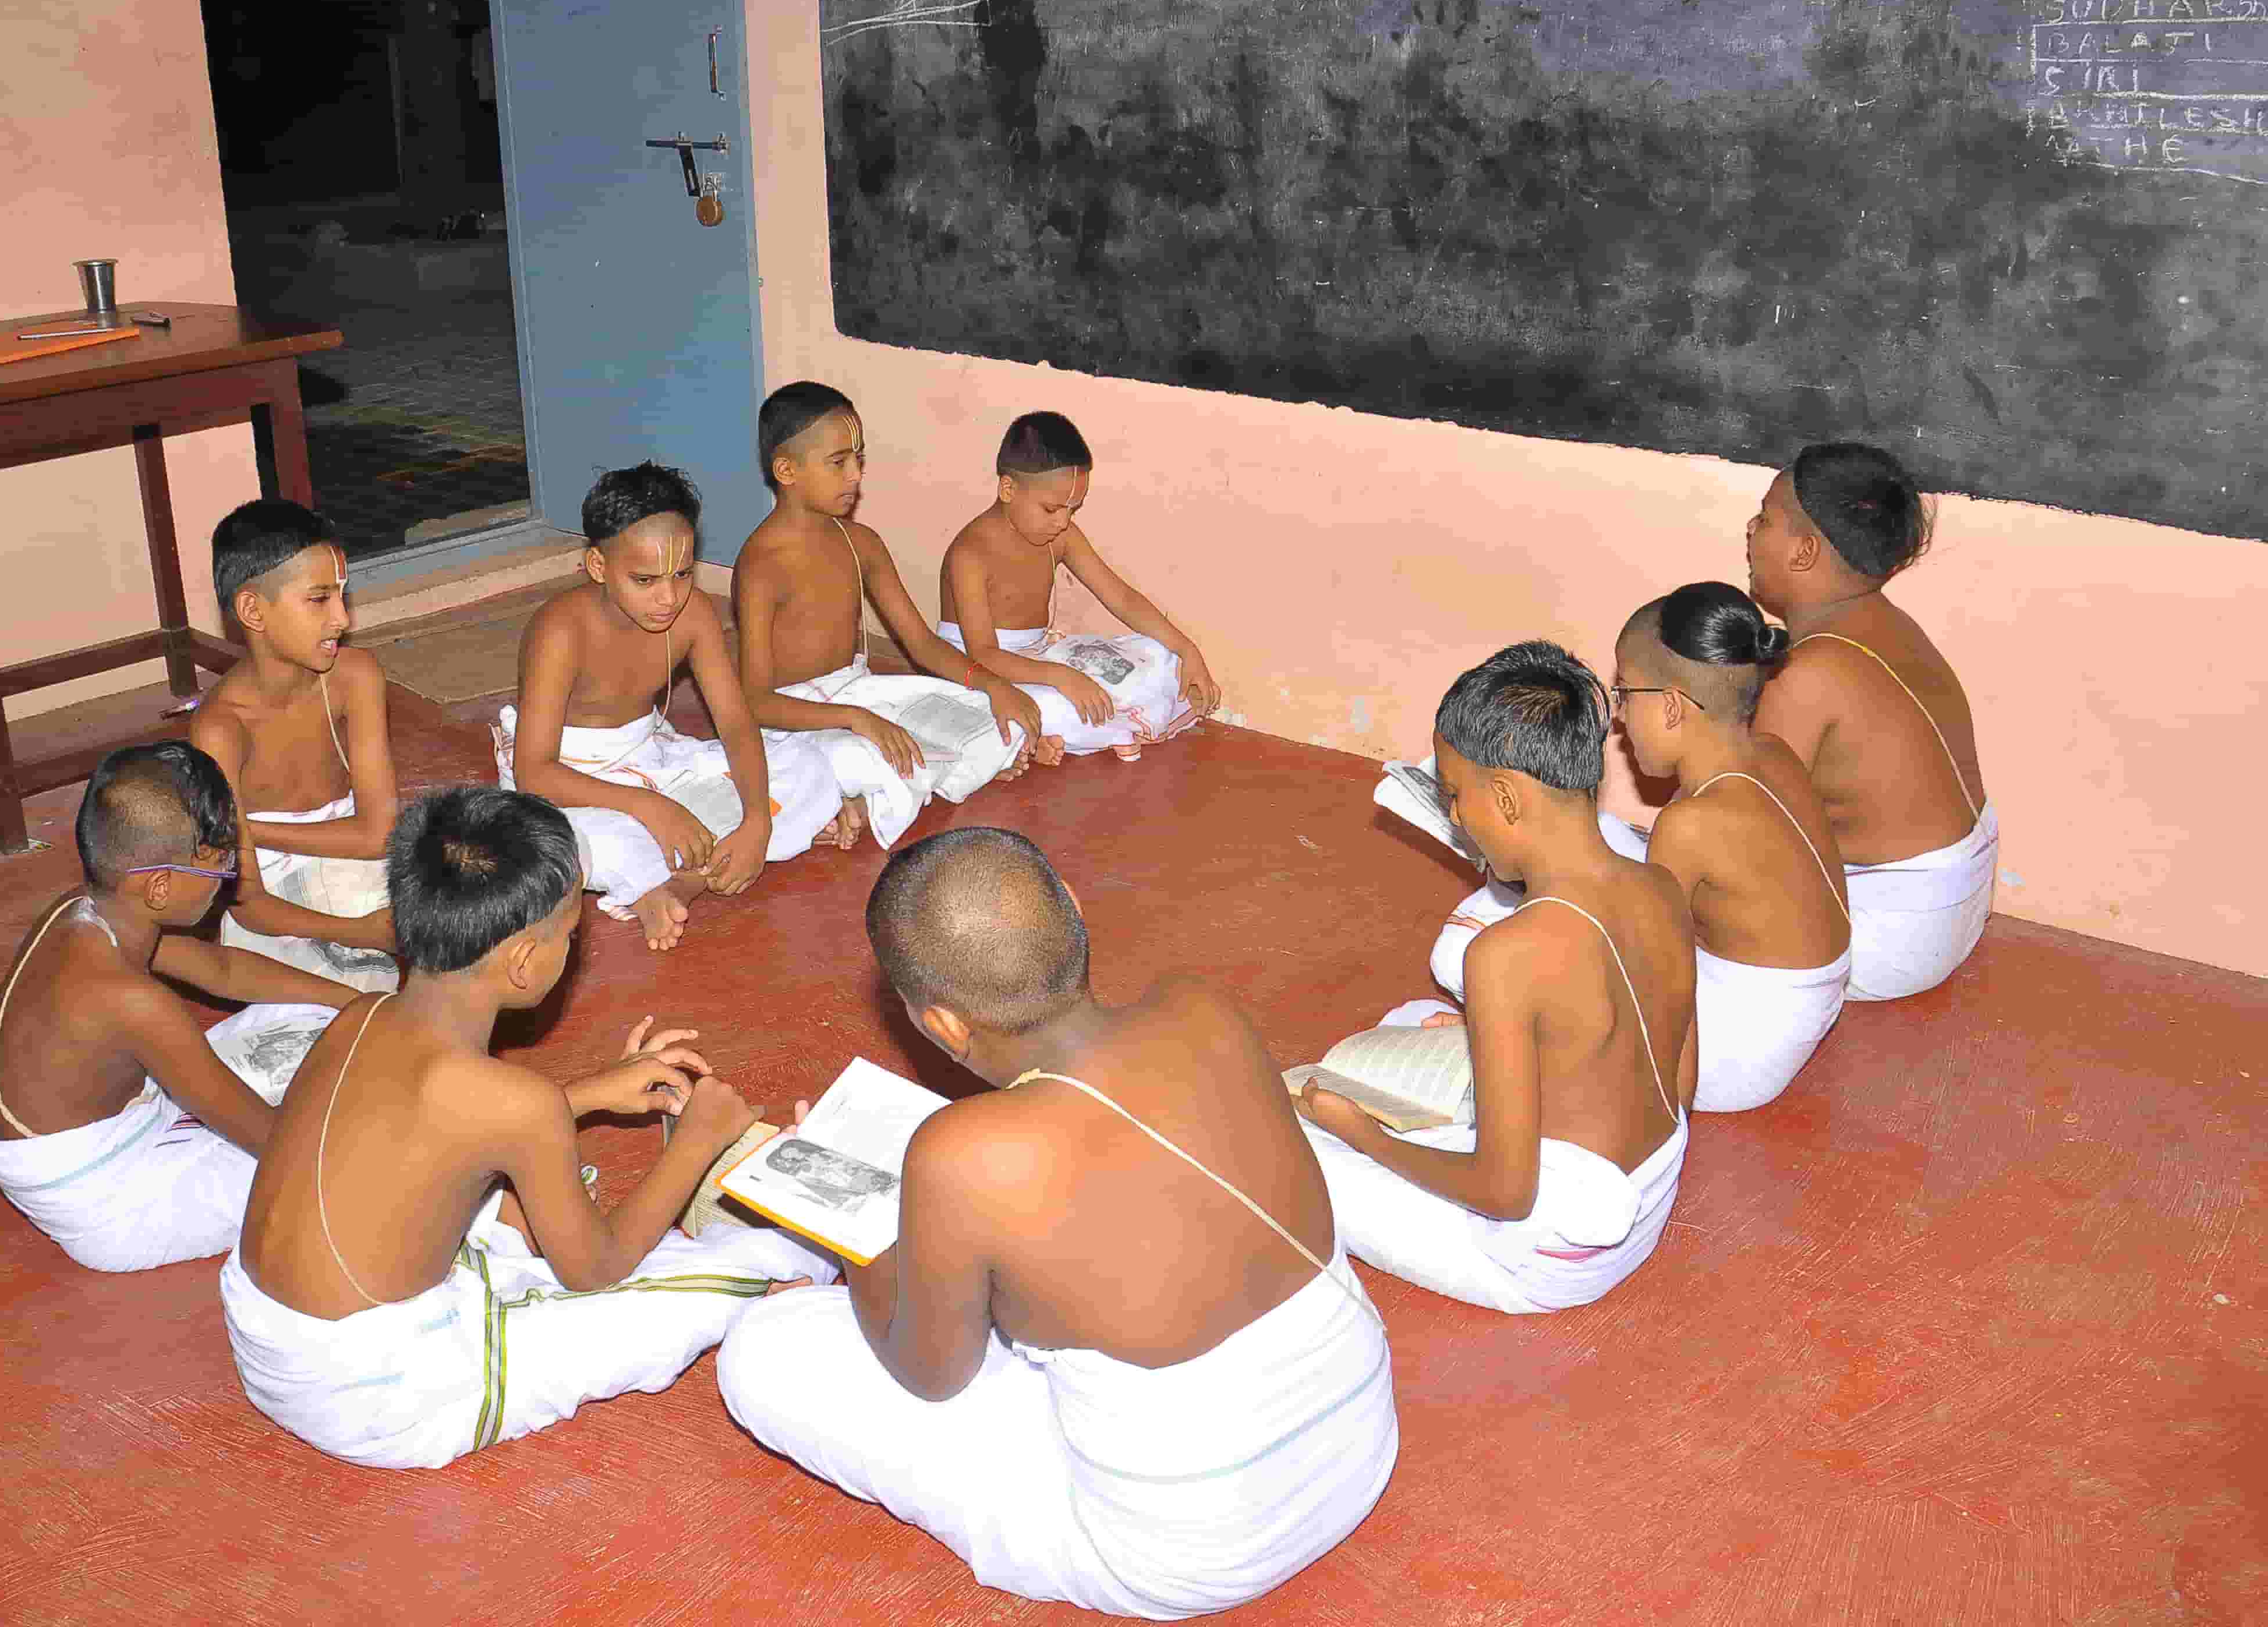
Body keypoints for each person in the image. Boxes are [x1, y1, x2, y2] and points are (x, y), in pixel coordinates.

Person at [719, 828, 1396, 1619]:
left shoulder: (962, 1156)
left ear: (943, 1024)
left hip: (1188, 1555)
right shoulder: (1200, 1006)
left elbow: (931, 1376)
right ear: (1075, 913)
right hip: (1358, 1454)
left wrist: (851, 1224)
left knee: (762, 1351)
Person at [221, 786, 831, 1470]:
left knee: (505, 1200)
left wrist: (590, 1091)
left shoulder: (355, 1021)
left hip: (271, 1339)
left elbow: (443, 1124)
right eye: (571, 933)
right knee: (708, 1281)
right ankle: (789, 1258)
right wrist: (698, 1141)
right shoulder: (514, 1104)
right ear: (523, 962)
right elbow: (595, 1271)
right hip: (380, 1395)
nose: (575, 945)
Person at [1298, 642, 1696, 1314]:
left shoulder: (1506, 954)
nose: (1455, 818)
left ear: (1507, 797)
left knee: (1292, 1142)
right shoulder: (1658, 884)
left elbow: (1505, 1193)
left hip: (1546, 1257)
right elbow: (1677, 1080)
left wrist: (1355, 1131)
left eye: (1456, 796)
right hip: (1647, 1198)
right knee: (1406, 1024)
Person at [0, 742, 357, 1272]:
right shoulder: (133, 1002)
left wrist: (359, 1004)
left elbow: (222, 971)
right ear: (159, 885)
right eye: (219, 866)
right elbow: (270, 1140)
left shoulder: (86, 912)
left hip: (70, 1127)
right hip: (108, 1200)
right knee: (359, 1152)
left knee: (313, 1019)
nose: (228, 880)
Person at [496, 461, 843, 952]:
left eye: (682, 574)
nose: (668, 597)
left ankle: (686, 881)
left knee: (809, 766)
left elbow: (738, 726)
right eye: (645, 580)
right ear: (598, 567)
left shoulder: (693, 613)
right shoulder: (560, 630)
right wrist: (652, 807)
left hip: (653, 755)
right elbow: (534, 772)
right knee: (571, 847)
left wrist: (757, 820)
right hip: (568, 778)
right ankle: (681, 873)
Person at [733, 382, 1039, 850]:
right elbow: (754, 702)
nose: (855, 475)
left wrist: (991, 683)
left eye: (859, 459)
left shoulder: (862, 543)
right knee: (863, 757)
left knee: (998, 719)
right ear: (786, 470)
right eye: (838, 463)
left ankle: (865, 796)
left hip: (858, 691)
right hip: (793, 718)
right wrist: (856, 719)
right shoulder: (761, 565)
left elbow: (920, 644)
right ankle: (858, 794)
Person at [1746, 443, 1995, 1001]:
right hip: (1955, 901)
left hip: (1894, 937)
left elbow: (1748, 829)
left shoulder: (1806, 674)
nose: (1751, 530)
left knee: (1621, 895)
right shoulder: (1890, 625)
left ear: (1805, 552)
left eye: (1764, 518)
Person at [1608, 584, 1851, 1111]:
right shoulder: (1772, 753)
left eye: (1625, 693)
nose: (1618, 717)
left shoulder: (1689, 825)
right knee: (1602, 836)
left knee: (1478, 948)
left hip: (1735, 1055)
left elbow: (1647, 970)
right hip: (1797, 1008)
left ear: (1672, 708)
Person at [190, 499, 401, 989]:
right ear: (252, 611)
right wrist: (359, 933)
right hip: (274, 910)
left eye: (343, 597)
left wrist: (254, 831)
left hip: (358, 864)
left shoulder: (355, 676)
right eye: (319, 599)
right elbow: (251, 904)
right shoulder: (221, 728)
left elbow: (377, 835)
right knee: (321, 986)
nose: (343, 620)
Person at [934, 412, 1218, 762]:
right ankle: (1041, 735)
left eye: (1073, 509)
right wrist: (1060, 677)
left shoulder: (1061, 535)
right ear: (1008, 489)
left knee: (1159, 654)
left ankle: (1058, 733)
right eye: (1052, 509)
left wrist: (1188, 651)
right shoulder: (971, 553)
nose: (1064, 521)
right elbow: (984, 655)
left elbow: (1121, 599)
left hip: (1040, 658)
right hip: (978, 672)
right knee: (1053, 704)